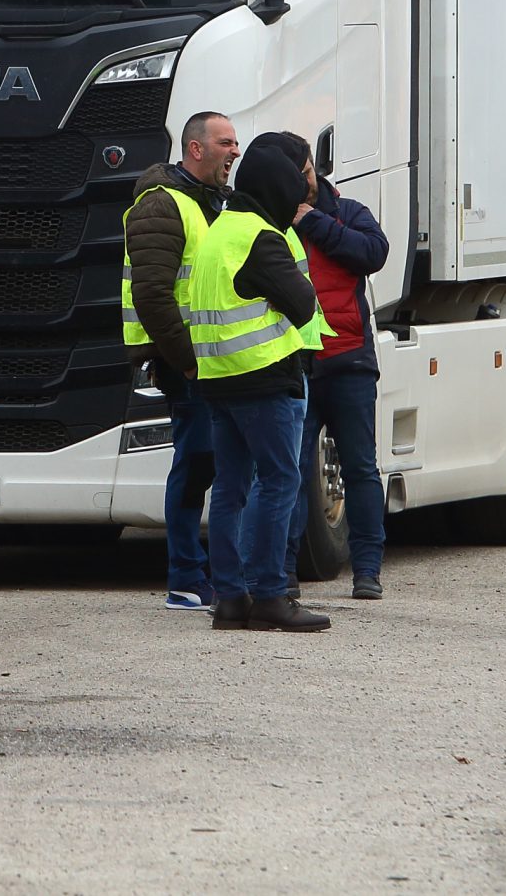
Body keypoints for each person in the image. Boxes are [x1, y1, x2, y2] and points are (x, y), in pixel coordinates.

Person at [200, 133, 328, 634]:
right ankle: (271, 595)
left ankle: (231, 598)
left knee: (230, 489)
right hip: (265, 376)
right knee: (279, 483)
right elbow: (303, 304)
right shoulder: (260, 236)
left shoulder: (219, 230)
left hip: (219, 378)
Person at [125, 110, 238, 613]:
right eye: (225, 142)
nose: (235, 151)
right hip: (189, 363)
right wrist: (188, 362)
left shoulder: (209, 202)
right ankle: (186, 580)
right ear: (196, 149)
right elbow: (152, 296)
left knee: (211, 463)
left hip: (211, 361)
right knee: (195, 466)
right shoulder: (163, 205)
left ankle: (201, 575)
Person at [279, 139, 389, 601]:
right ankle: (282, 571)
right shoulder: (268, 221)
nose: (304, 182)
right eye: (295, 175)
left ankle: (367, 570)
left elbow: (374, 253)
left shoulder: (347, 211)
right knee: (288, 471)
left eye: (307, 171)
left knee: (361, 468)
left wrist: (316, 222)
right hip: (295, 365)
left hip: (349, 361)